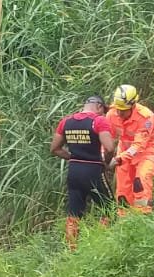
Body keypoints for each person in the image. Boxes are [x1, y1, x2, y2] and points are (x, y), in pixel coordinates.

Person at [50, 94, 117, 250]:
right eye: (103, 110)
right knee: (110, 209)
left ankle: (72, 249)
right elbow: (110, 148)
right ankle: (99, 244)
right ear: (99, 107)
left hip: (74, 172)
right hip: (93, 171)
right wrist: (105, 163)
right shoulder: (98, 121)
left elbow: (54, 149)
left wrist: (73, 157)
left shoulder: (66, 122)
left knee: (74, 213)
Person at [106, 84, 154, 214]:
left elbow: (138, 146)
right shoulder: (112, 114)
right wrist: (102, 156)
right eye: (118, 109)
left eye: (123, 110)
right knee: (123, 187)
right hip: (124, 152)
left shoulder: (146, 118)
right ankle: (124, 218)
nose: (119, 113)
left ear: (133, 105)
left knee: (141, 179)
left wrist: (119, 159)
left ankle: (143, 213)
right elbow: (106, 138)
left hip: (148, 151)